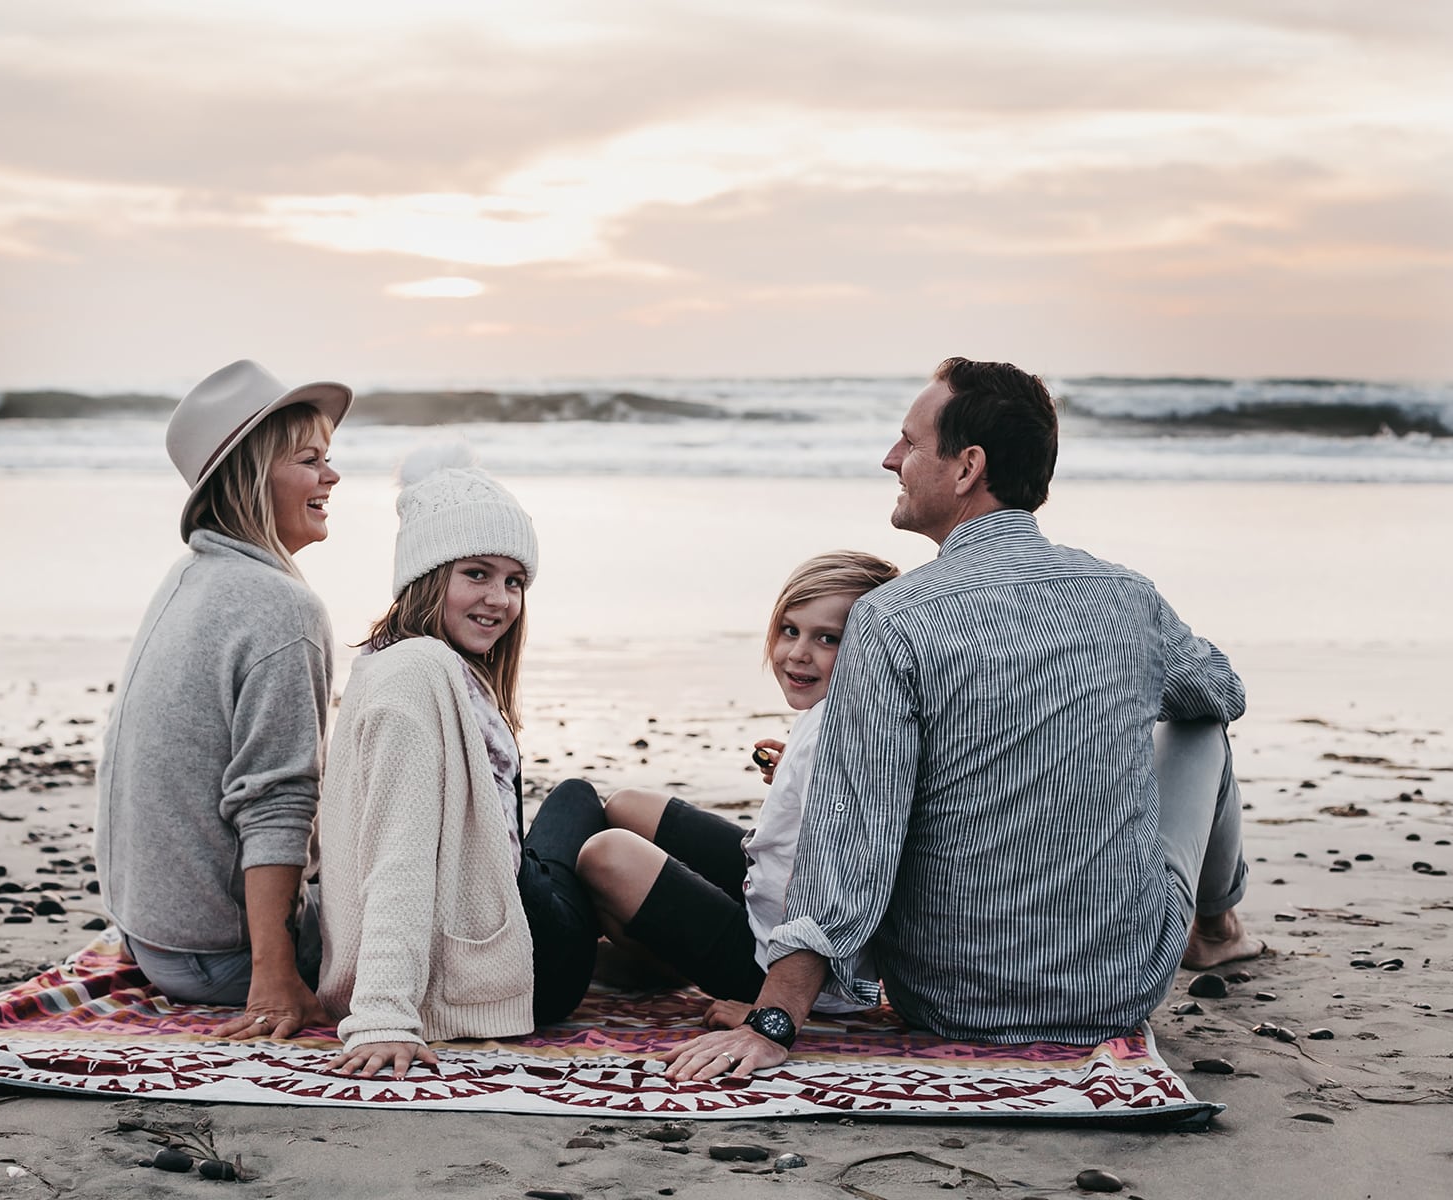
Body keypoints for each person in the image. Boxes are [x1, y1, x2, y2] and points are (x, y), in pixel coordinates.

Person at [666, 356, 1263, 1082]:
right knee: (1200, 724)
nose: (891, 458)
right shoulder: (1126, 599)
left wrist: (775, 1019)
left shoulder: (891, 618)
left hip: (947, 997)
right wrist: (1096, 695)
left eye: (910, 443)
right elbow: (1221, 693)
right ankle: (1216, 926)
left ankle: (1214, 926)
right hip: (1116, 988)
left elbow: (851, 835)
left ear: (966, 467)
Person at [318, 445, 604, 1080]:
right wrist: (383, 1015)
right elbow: (398, 854)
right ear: (426, 574)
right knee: (590, 813)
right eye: (477, 573)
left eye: (514, 582)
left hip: (478, 943)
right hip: (529, 972)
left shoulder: (384, 658)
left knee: (580, 804)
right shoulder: (419, 673)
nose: (500, 599)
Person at [95, 359, 350, 1042]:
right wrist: (273, 978)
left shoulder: (190, 577)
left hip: (155, 939)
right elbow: (276, 801)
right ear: (251, 477)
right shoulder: (281, 607)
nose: (332, 476)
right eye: (310, 460)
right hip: (222, 959)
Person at [574, 551, 899, 1020]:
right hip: (764, 894)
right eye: (790, 630)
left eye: (828, 638)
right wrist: (791, 773)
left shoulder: (843, 738)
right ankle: (659, 957)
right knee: (628, 805)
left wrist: (776, 1009)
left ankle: (648, 959)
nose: (798, 653)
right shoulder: (836, 710)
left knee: (605, 855)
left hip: (782, 965)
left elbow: (844, 878)